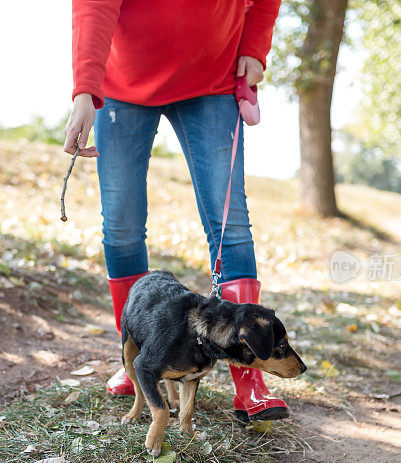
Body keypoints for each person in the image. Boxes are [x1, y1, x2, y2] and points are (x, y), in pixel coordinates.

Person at [64, 0, 288, 421]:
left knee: (231, 225)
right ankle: (137, 360)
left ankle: (249, 381)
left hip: (213, 81)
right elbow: (93, 9)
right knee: (122, 225)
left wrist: (255, 47)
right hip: (122, 86)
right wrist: (83, 90)